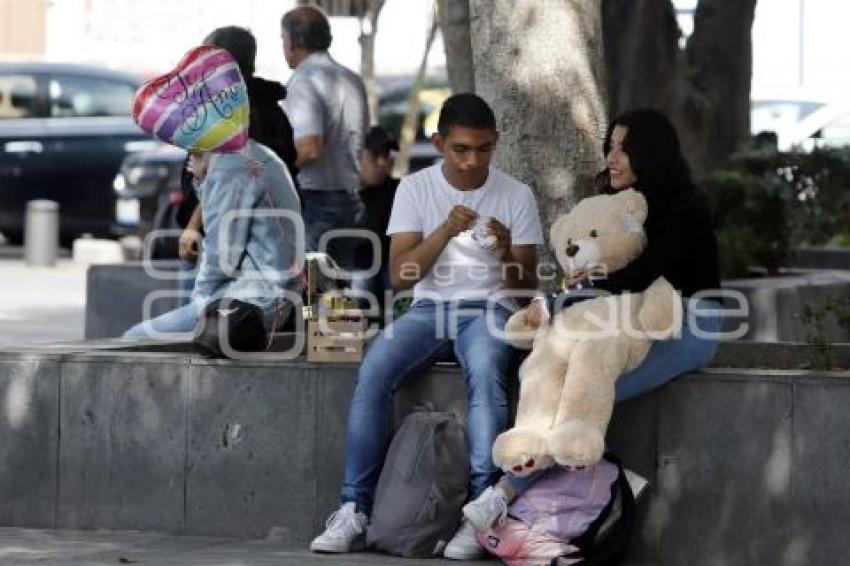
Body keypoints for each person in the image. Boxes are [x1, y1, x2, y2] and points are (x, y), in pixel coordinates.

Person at [459, 108, 724, 540]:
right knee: (550, 376)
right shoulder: (619, 206)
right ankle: (510, 514)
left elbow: (643, 275)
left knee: (585, 393)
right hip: (628, 319)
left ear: (650, 154)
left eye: (625, 149)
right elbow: (613, 277)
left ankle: (503, 495)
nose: (613, 158)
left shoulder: (682, 206)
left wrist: (582, 290)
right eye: (611, 147)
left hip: (689, 322)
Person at [308, 93, 543, 559]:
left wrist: (505, 251)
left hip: (490, 308)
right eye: (461, 149)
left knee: (486, 373)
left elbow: (524, 292)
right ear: (439, 143)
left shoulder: (516, 194)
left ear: (496, 144)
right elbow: (401, 277)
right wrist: (444, 231)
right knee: (374, 370)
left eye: (484, 148)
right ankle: (354, 508)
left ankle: (481, 512)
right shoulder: (415, 189)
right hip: (429, 307)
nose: (473, 160)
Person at [124, 46, 301, 340]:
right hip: (272, 293)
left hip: (255, 301)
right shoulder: (252, 154)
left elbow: (222, 257)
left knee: (135, 338)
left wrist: (198, 306)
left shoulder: (230, 167)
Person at [174, 26, 299, 301]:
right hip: (236, 255)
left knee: (169, 332)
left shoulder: (239, 119)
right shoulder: (269, 111)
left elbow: (232, 187)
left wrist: (194, 225)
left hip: (239, 269)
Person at [280, 6, 368, 269]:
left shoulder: (305, 80)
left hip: (317, 202)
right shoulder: (351, 78)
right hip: (351, 200)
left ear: (294, 41)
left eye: (283, 40)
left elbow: (309, 149)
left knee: (313, 294)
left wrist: (276, 174)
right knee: (340, 297)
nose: (283, 46)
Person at [352, 126, 400, 319]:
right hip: (357, 268)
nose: (383, 162)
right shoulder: (339, 198)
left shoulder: (400, 190)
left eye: (387, 154)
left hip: (392, 267)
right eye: (375, 155)